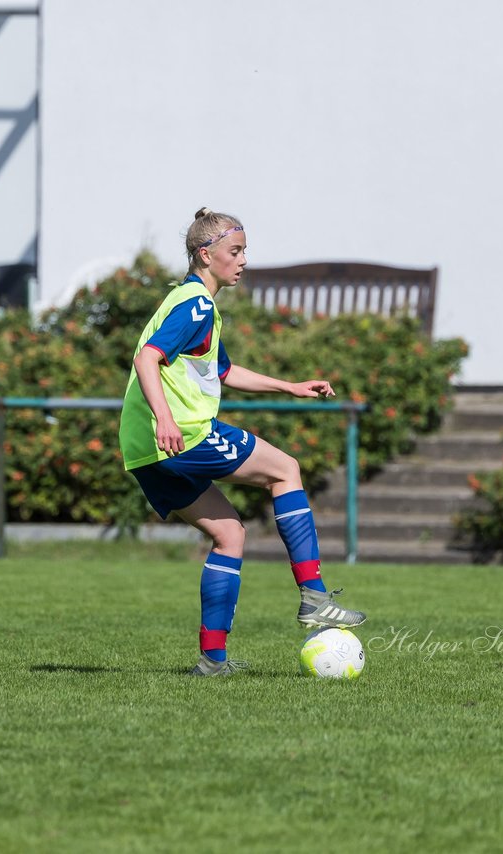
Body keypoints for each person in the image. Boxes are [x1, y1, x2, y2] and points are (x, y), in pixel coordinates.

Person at [119, 207, 366, 677]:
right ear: (205, 254)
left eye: (244, 251)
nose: (244, 260)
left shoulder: (189, 303)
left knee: (229, 534)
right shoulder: (194, 304)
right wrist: (167, 418)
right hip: (182, 435)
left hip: (143, 450)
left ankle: (213, 661)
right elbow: (147, 360)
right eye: (236, 252)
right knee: (286, 469)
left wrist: (289, 386)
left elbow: (225, 371)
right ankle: (314, 597)